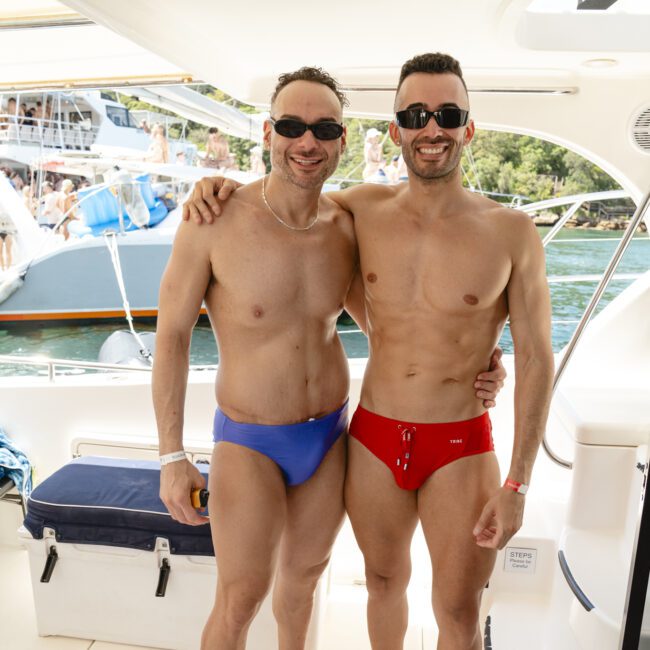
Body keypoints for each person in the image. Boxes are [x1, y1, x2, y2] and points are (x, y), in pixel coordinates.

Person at [184, 52, 553, 650]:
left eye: (448, 113)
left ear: (469, 127)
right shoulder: (359, 211)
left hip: (459, 442)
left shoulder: (511, 231)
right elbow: (288, 204)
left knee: (457, 610)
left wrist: (518, 484)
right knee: (382, 583)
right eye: (415, 114)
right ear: (395, 130)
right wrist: (214, 185)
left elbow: (538, 355)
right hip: (374, 437)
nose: (432, 128)